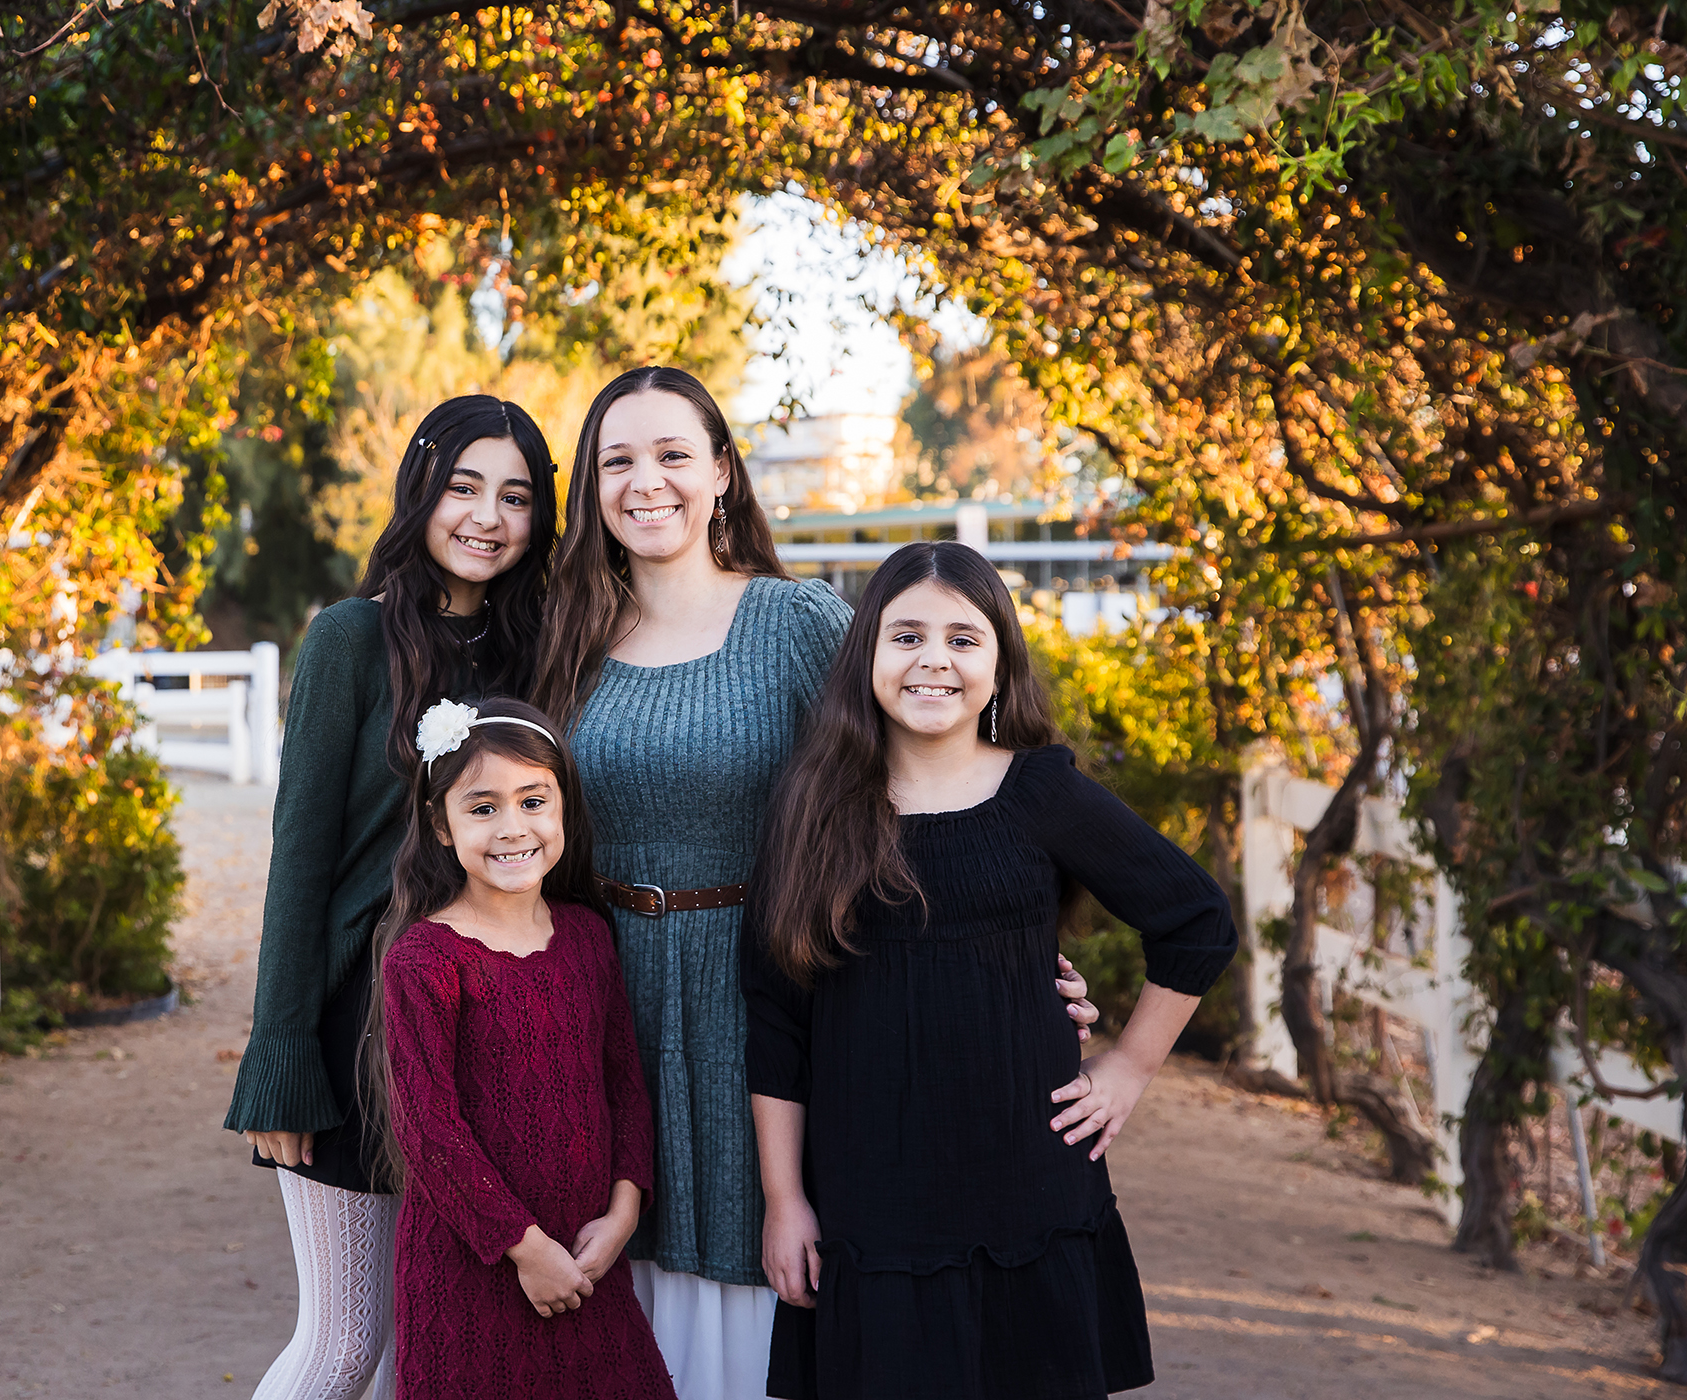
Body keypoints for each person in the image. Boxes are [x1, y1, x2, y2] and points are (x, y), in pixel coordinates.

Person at [533, 368, 1102, 1399]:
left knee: (778, 1263)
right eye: (617, 459)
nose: (645, 480)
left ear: (720, 471)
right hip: (608, 994)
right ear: (591, 487)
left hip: (779, 995)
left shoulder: (798, 622)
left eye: (672, 454)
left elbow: (936, 780)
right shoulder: (566, 639)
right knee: (615, 1258)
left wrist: (1015, 955)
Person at [743, 541, 1239, 1400]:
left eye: (963, 639)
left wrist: (1127, 1067)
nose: (933, 659)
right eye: (905, 636)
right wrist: (785, 1200)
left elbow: (1197, 920)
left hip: (1029, 1193)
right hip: (874, 1205)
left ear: (1001, 663)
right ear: (866, 657)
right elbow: (776, 1019)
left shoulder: (1041, 794)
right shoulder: (811, 807)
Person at [225, 396, 559, 1400]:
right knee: (341, 1344)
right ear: (420, 489)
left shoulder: (544, 650)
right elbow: (300, 861)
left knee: (428, 1348)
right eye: (464, 486)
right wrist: (280, 1055)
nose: (487, 515)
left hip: (487, 1030)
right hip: (351, 1030)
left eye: (516, 494)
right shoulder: (348, 638)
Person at [369, 697, 677, 1400]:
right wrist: (526, 1250)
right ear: (440, 826)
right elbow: (430, 1134)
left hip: (587, 1258)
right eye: (482, 808)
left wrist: (625, 1210)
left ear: (563, 806)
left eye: (533, 800)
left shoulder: (587, 936)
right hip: (475, 1270)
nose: (513, 828)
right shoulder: (425, 960)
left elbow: (624, 1083)